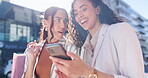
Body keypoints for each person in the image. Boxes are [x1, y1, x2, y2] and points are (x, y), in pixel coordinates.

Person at [50, 0, 145, 78]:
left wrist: (87, 71)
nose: (80, 15)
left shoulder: (120, 30)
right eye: (76, 13)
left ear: (97, 10)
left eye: (84, 9)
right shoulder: (84, 48)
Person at [21, 7, 70, 78]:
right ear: (45, 23)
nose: (63, 26)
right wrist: (32, 58)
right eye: (57, 20)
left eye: (65, 21)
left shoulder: (71, 48)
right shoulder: (35, 49)